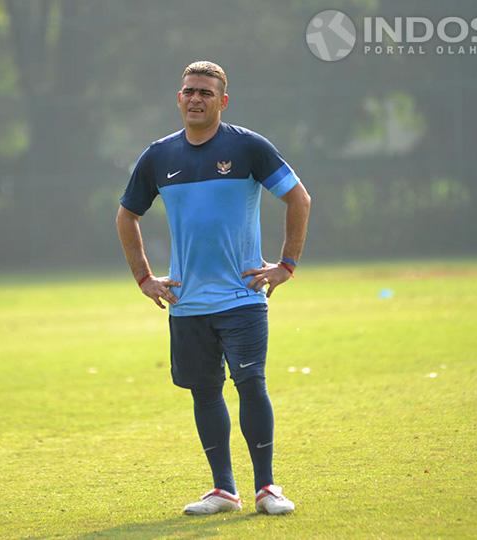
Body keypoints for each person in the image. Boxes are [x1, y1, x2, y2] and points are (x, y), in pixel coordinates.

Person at [115, 61, 311, 515]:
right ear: (178, 99)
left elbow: (298, 197)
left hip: (242, 297)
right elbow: (127, 215)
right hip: (186, 303)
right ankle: (224, 490)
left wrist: (286, 265)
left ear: (222, 101)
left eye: (205, 92)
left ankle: (267, 489)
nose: (196, 98)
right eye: (189, 91)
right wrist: (144, 277)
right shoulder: (159, 156)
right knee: (204, 391)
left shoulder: (248, 148)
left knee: (250, 382)